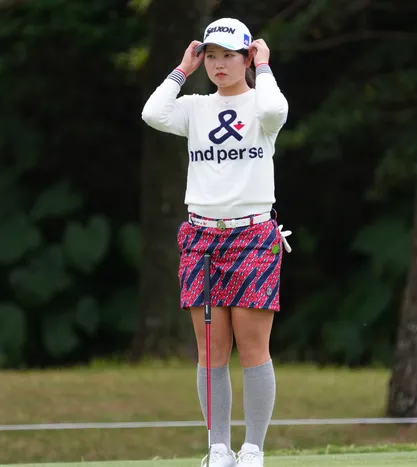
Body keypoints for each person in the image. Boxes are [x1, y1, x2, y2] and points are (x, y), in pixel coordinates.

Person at [141, 17, 291, 467]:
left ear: (247, 57)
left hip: (253, 236)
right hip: (201, 238)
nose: (219, 64)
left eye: (229, 55)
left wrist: (264, 67)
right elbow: (153, 113)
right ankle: (219, 448)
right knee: (211, 351)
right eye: (211, 55)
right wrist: (181, 70)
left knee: (253, 349)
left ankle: (253, 449)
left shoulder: (262, 106)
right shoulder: (194, 108)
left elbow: (275, 110)